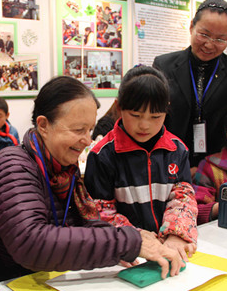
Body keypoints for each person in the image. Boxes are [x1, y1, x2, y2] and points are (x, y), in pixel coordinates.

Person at [0, 75, 185, 282]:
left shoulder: (65, 170)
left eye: (90, 129)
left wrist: (128, 241)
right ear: (44, 125)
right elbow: (31, 243)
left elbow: (83, 225)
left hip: (51, 278)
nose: (87, 140)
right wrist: (126, 242)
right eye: (78, 130)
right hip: (11, 285)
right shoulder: (13, 165)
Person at [84, 66, 198, 258]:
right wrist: (136, 239)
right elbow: (98, 212)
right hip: (125, 252)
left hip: (168, 248)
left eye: (156, 117)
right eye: (135, 116)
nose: (145, 125)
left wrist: (176, 235)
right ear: (119, 107)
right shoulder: (102, 155)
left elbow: (183, 200)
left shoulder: (177, 150)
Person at [152, 0, 227, 169]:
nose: (209, 44)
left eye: (220, 39)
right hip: (168, 158)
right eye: (204, 34)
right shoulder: (164, 65)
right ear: (191, 27)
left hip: (215, 162)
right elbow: (154, 113)